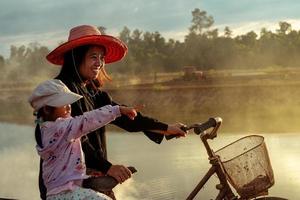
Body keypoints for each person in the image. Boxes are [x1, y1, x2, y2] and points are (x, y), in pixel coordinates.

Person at [38, 24, 187, 199]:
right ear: (76, 57)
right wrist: (109, 167)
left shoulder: (93, 92)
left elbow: (128, 118)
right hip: (66, 184)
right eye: (93, 56)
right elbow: (74, 140)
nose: (99, 63)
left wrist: (166, 127)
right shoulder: (59, 93)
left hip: (93, 176)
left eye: (101, 57)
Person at [28, 79, 138, 200]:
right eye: (64, 104)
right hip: (66, 193)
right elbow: (87, 120)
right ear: (47, 109)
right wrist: (117, 110)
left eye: (69, 103)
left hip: (57, 193)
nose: (69, 107)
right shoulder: (60, 129)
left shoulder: (45, 129)